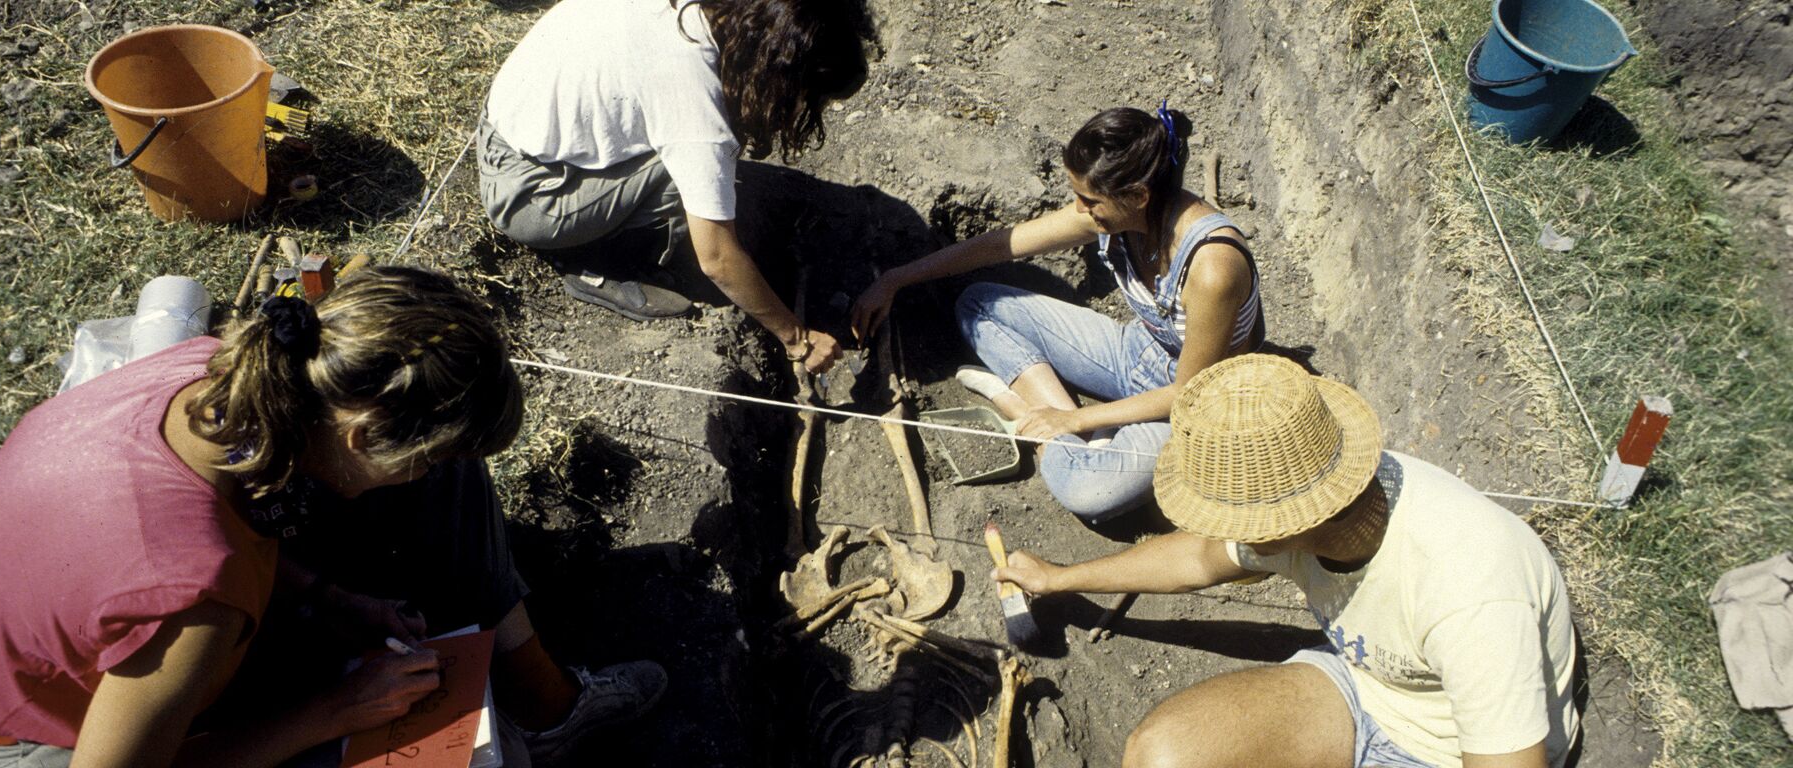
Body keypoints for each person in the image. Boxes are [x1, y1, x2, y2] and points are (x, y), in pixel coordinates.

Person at [0, 266, 665, 768]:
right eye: (413, 458)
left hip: (131, 642)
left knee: (452, 478)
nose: (422, 475)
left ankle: (546, 705)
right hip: (55, 739)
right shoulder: (196, 604)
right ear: (357, 437)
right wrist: (335, 710)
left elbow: (196, 528)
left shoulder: (215, 374)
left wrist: (325, 597)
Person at [993, 355, 1579, 768]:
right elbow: (1197, 559)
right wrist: (1060, 578)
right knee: (1161, 755)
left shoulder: (1470, 589)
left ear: (1280, 525)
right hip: (1368, 687)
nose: (1211, 528)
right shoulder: (1316, 500)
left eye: (1224, 514)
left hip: (1454, 749)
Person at [849, 105, 1265, 524]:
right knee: (977, 304)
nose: (1079, 210)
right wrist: (897, 279)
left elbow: (1186, 393)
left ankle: (1028, 411)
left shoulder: (1212, 267)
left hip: (1196, 401)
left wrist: (1074, 416)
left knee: (1087, 492)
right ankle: (1070, 433)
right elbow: (1002, 246)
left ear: (1138, 195)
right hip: (1139, 353)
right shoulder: (1121, 214)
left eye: (1089, 200)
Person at [478, 0, 866, 374]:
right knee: (690, 184)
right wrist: (797, 338)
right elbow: (717, 258)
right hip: (530, 194)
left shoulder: (704, 11)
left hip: (508, 123)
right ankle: (595, 262)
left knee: (705, 169)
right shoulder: (691, 99)